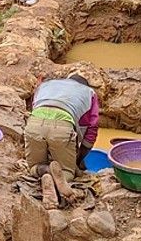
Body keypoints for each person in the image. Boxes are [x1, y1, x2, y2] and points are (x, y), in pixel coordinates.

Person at [26, 73, 100, 206]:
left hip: (34, 123)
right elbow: (91, 129)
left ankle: (45, 172)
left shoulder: (46, 85)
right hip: (62, 126)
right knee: (68, 172)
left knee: (33, 167)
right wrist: (78, 159)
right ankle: (58, 177)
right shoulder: (89, 93)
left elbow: (35, 107)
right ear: (84, 85)